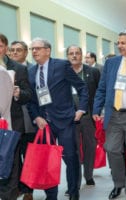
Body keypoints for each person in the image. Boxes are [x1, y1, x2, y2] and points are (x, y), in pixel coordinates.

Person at [27, 38, 88, 200]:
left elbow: (82, 87)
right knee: (46, 160)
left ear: (48, 50)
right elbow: (32, 100)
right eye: (32, 49)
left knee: (70, 158)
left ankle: (73, 193)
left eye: (38, 48)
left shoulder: (61, 66)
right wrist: (36, 117)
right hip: (44, 123)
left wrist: (81, 109)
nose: (34, 52)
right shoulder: (32, 71)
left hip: (65, 120)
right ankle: (51, 195)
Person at [92, 30, 126, 200]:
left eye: (123, 42)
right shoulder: (111, 63)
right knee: (112, 149)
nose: (119, 46)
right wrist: (96, 109)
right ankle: (118, 184)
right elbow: (102, 88)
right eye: (118, 43)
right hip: (113, 114)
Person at [0, 33, 32, 200]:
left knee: (11, 162)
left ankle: (9, 196)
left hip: (11, 124)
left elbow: (28, 94)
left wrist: (19, 93)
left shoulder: (18, 69)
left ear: (6, 48)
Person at [66, 45, 100, 188]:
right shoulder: (63, 72)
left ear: (81, 55)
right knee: (71, 149)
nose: (74, 56)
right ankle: (75, 180)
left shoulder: (92, 72)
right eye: (71, 53)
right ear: (67, 56)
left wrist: (98, 110)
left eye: (77, 53)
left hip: (87, 115)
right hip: (69, 117)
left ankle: (89, 175)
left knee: (90, 146)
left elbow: (99, 92)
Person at [10, 40, 36, 200]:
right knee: (14, 157)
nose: (14, 53)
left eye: (18, 50)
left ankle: (29, 190)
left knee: (29, 158)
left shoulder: (33, 69)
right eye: (12, 50)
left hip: (30, 120)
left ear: (26, 52)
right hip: (13, 121)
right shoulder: (6, 70)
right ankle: (19, 186)